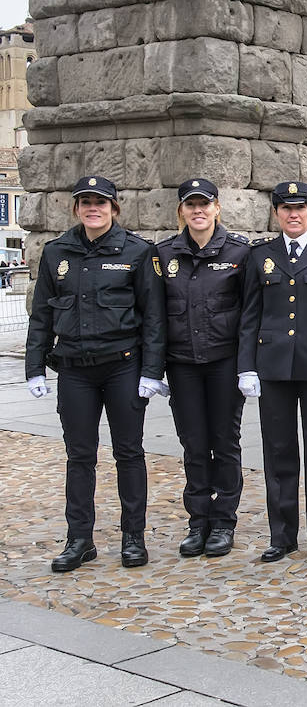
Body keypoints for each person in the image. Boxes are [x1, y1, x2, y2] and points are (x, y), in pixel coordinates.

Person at [27, 175, 167, 572]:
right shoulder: (57, 252)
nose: (93, 208)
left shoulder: (138, 251)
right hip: (75, 369)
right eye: (85, 202)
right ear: (76, 208)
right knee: (79, 455)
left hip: (123, 366)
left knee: (129, 453)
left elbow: (154, 317)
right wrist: (35, 367)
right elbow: (42, 313)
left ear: (113, 208)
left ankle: (133, 537)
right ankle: (79, 539)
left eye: (100, 202)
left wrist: (151, 371)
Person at [238, 180, 307, 565]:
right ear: (276, 213)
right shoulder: (259, 256)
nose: (294, 214)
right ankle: (282, 536)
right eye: (286, 208)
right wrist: (246, 367)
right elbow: (249, 316)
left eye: (300, 208)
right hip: (272, 367)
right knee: (278, 454)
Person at [157, 179, 252, 559]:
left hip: (224, 361)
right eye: (191, 205)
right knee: (194, 444)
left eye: (205, 204)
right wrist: (152, 369)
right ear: (181, 210)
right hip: (182, 363)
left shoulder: (240, 252)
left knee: (225, 442)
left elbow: (249, 314)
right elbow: (155, 314)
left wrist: (248, 366)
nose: (198, 211)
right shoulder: (164, 254)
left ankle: (224, 521)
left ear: (217, 208)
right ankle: (198, 521)